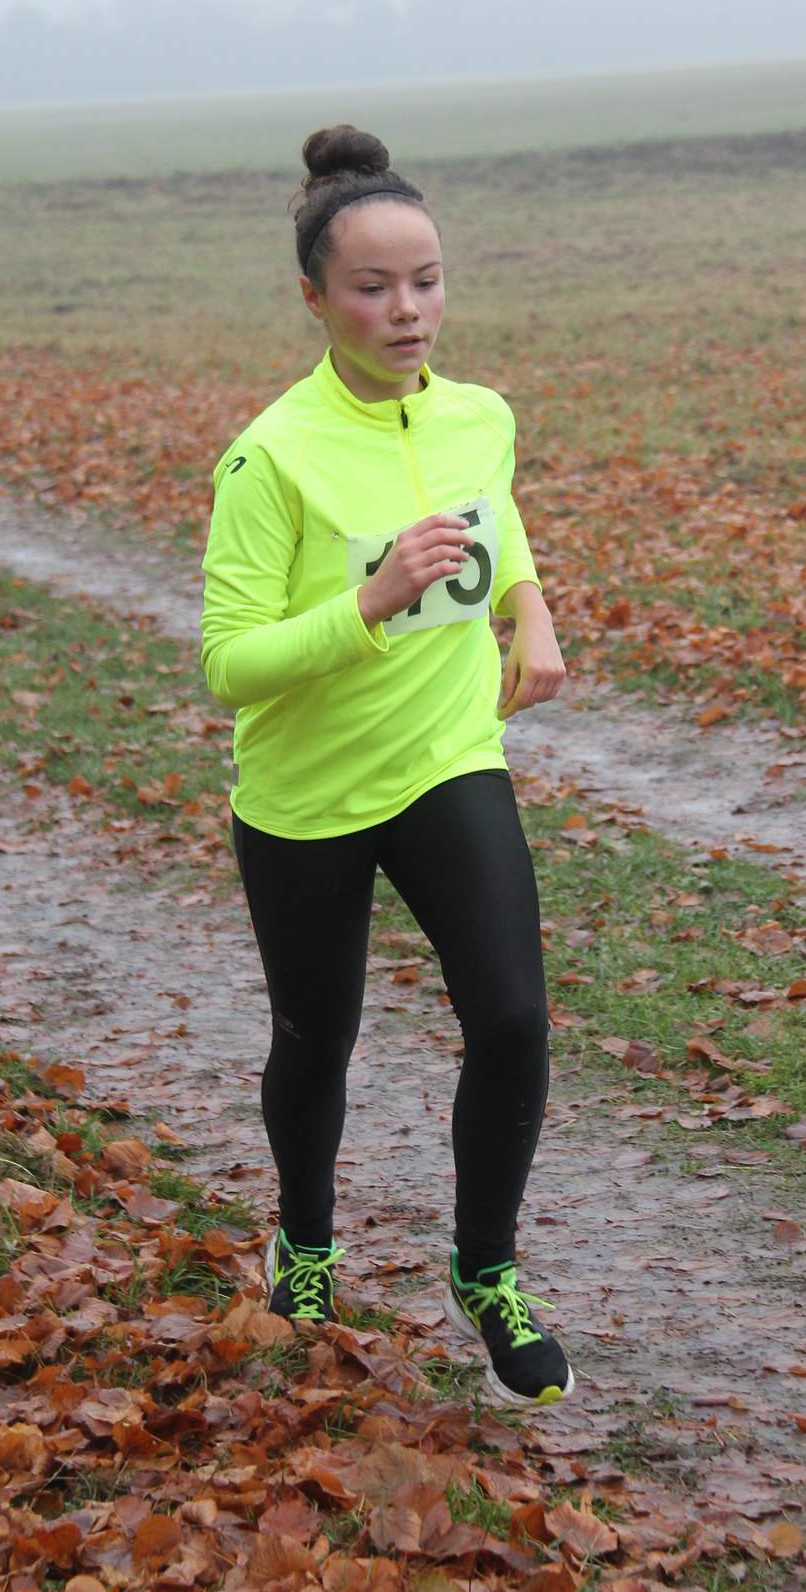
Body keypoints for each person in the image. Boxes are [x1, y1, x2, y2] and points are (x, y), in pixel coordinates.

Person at [198, 123, 574, 1407]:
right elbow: (229, 662)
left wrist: (528, 607)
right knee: (318, 1040)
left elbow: (491, 512)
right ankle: (305, 1243)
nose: (406, 309)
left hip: (444, 757)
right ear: (314, 298)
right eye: (372, 286)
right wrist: (366, 602)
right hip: (304, 795)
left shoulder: (479, 414)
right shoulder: (271, 456)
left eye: (426, 279)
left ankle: (486, 1266)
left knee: (512, 1020)